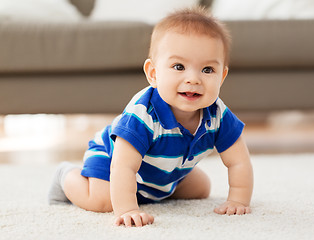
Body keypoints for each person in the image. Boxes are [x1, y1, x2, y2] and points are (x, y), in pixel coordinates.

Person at [48, 6, 253, 228]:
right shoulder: (142, 115)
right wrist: (127, 210)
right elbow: (124, 168)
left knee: (201, 188)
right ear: (153, 74)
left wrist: (238, 200)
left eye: (207, 70)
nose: (193, 78)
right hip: (112, 160)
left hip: (162, 170)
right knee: (103, 201)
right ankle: (66, 176)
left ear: (222, 76)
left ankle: (153, 188)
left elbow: (239, 161)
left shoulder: (218, 115)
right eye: (178, 66)